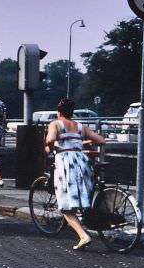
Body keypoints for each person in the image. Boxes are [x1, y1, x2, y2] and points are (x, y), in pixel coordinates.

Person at [44, 98, 105, 250]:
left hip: (65, 163)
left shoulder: (55, 124)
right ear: (72, 113)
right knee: (80, 195)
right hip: (81, 162)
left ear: (59, 113)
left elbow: (50, 139)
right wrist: (83, 142)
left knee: (65, 205)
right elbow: (101, 140)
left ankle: (84, 236)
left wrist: (51, 147)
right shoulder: (80, 126)